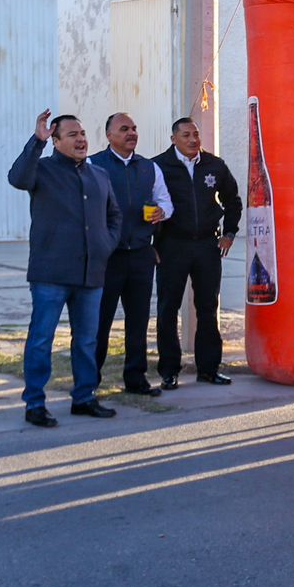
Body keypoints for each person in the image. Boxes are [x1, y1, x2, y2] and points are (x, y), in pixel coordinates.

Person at [9, 111, 122, 427]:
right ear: (55, 141)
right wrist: (36, 142)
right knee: (41, 340)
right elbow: (17, 178)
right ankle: (34, 404)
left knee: (87, 340)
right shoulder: (41, 170)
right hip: (51, 273)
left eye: (82, 133)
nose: (81, 139)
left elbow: (114, 216)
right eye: (72, 135)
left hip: (91, 273)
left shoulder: (99, 175)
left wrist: (105, 244)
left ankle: (84, 398)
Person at [89, 113, 174, 396]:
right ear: (109, 135)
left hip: (140, 254)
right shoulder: (93, 165)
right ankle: (89, 382)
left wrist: (162, 212)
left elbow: (166, 202)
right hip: (107, 257)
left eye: (134, 128)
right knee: (99, 321)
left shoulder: (149, 168)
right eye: (124, 129)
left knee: (138, 321)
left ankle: (136, 379)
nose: (131, 133)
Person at [154, 117, 242, 389]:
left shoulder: (214, 165)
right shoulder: (158, 166)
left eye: (195, 134)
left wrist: (229, 233)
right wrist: (152, 244)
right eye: (186, 135)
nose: (193, 140)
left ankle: (209, 368)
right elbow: (146, 204)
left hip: (206, 246)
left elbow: (233, 200)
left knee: (207, 307)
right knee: (168, 308)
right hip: (171, 246)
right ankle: (169, 370)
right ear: (173, 139)